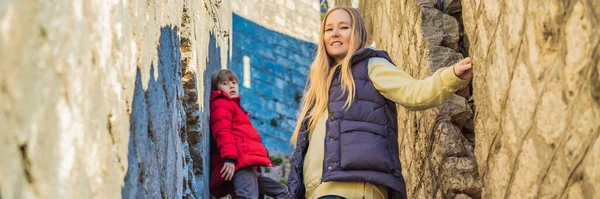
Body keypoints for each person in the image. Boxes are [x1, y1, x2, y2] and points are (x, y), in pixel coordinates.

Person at [287, 6, 473, 199]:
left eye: (343, 27)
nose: (335, 34)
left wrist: (451, 76)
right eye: (329, 29)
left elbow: (414, 93)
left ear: (358, 33)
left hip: (355, 187)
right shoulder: (318, 90)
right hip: (318, 192)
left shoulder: (370, 65)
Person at [209, 69, 291, 199]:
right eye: (225, 83)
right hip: (238, 162)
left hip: (248, 163)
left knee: (282, 191)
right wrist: (229, 158)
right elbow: (222, 131)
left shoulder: (236, 108)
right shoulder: (222, 103)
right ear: (216, 88)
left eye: (234, 82)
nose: (231, 86)